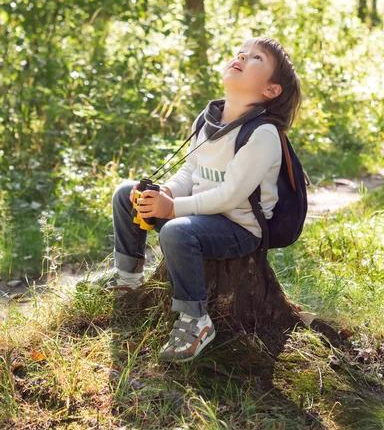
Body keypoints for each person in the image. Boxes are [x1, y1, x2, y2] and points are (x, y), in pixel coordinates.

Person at [83, 35, 302, 363]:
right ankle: (128, 278)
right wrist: (168, 192)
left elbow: (230, 196)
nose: (241, 57)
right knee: (127, 196)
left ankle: (194, 320)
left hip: (239, 228)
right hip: (200, 215)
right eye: (240, 52)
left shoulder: (262, 134)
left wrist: (173, 209)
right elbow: (190, 171)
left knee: (176, 231)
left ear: (271, 90)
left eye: (255, 58)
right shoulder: (209, 120)